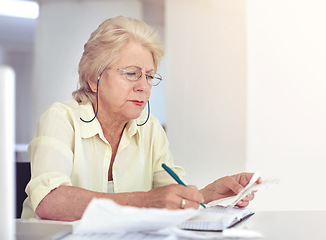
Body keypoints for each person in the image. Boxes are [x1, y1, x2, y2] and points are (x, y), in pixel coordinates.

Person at [21, 16, 257, 221]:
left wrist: (207, 194)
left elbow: (169, 197)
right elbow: (49, 200)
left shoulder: (150, 129)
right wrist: (144, 202)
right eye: (132, 74)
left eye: (150, 76)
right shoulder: (61, 119)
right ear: (94, 78)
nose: (144, 86)